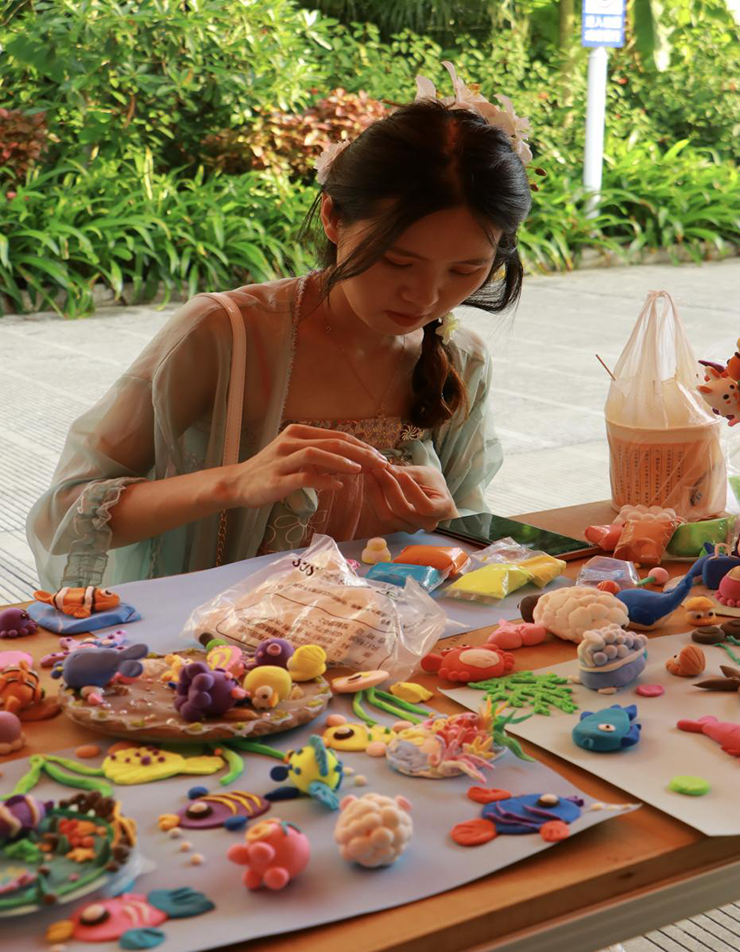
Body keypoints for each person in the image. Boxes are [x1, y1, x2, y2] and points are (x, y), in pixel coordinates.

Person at [26, 63, 533, 591]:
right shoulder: (227, 334)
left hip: (387, 629)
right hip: (223, 632)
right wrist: (234, 482)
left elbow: (468, 529)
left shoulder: (459, 358)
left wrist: (444, 522)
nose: (425, 297)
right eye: (397, 261)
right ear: (333, 218)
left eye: (464, 270)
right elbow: (64, 514)